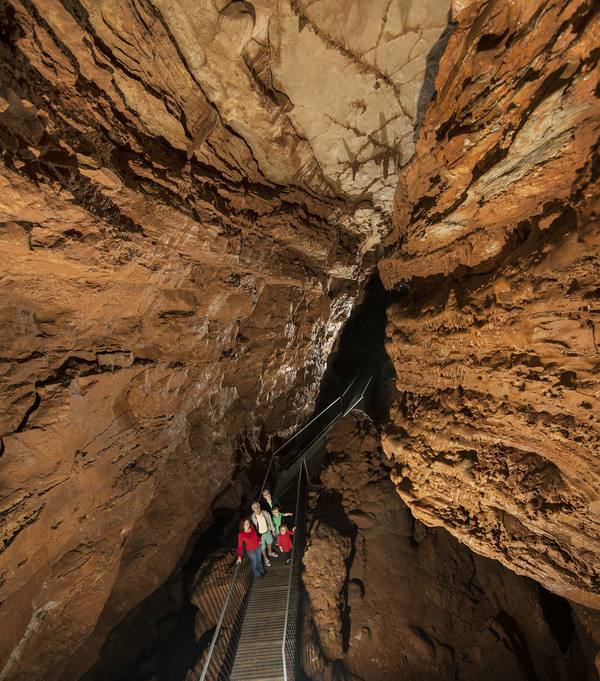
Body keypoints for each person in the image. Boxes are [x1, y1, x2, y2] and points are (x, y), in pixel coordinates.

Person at [251, 501, 278, 566]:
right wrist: (256, 538)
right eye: (254, 508)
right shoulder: (253, 517)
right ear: (253, 509)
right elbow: (253, 528)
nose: (256, 509)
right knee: (262, 548)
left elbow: (270, 521)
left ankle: (270, 552)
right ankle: (266, 559)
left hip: (267, 531)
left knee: (269, 542)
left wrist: (273, 530)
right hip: (260, 535)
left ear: (259, 507)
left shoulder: (265, 513)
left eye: (257, 507)